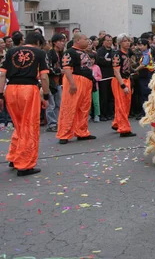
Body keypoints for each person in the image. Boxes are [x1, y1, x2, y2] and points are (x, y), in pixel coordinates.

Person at [0, 32, 50, 176]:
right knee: (29, 125)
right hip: (28, 89)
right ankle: (24, 164)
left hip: (11, 89)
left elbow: (2, 74)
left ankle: (14, 156)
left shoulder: (11, 52)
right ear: (38, 42)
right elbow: (44, 77)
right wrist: (45, 95)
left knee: (19, 125)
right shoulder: (39, 53)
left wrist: (0, 95)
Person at [56, 33, 97, 144]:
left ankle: (82, 132)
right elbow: (67, 68)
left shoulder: (84, 52)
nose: (88, 41)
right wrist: (72, 83)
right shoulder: (70, 52)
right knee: (69, 107)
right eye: (85, 39)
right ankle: (64, 134)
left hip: (86, 82)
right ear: (77, 40)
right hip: (75, 80)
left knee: (84, 108)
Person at [111, 34, 137, 137]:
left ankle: (117, 123)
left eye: (128, 41)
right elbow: (116, 72)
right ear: (120, 42)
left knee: (125, 104)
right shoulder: (117, 54)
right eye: (125, 41)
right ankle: (124, 129)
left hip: (126, 79)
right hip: (119, 80)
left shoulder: (127, 53)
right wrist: (123, 85)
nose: (128, 43)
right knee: (122, 104)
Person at [45, 34, 66, 133]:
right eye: (60, 41)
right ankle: (52, 124)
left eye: (63, 41)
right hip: (50, 81)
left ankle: (57, 122)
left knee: (59, 103)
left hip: (59, 82)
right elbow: (48, 68)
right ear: (54, 42)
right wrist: (59, 70)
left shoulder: (62, 54)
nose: (63, 43)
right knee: (51, 104)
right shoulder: (49, 53)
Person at [96, 34, 115, 121]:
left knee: (111, 97)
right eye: (107, 40)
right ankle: (103, 114)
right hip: (103, 77)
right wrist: (107, 61)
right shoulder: (100, 51)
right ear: (103, 42)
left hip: (112, 76)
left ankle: (111, 113)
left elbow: (114, 62)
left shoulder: (113, 51)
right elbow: (100, 61)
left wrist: (108, 61)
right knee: (103, 97)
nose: (109, 42)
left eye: (110, 41)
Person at [90, 53, 101, 123]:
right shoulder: (85, 67)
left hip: (95, 87)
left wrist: (95, 78)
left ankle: (97, 115)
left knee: (96, 102)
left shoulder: (97, 67)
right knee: (87, 102)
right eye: (90, 59)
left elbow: (100, 77)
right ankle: (88, 114)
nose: (91, 61)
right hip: (87, 87)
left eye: (93, 59)